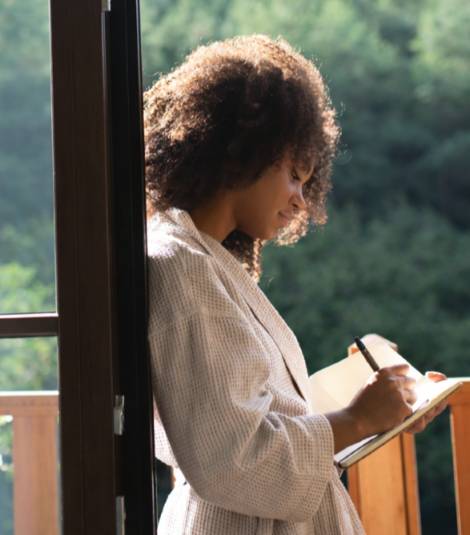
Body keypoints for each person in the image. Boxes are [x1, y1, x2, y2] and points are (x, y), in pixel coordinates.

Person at [145, 35, 447, 535]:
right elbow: (231, 457)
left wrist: (378, 408)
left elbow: (241, 420)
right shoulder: (178, 264)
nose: (301, 202)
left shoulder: (205, 260)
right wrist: (355, 419)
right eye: (294, 174)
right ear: (243, 150)